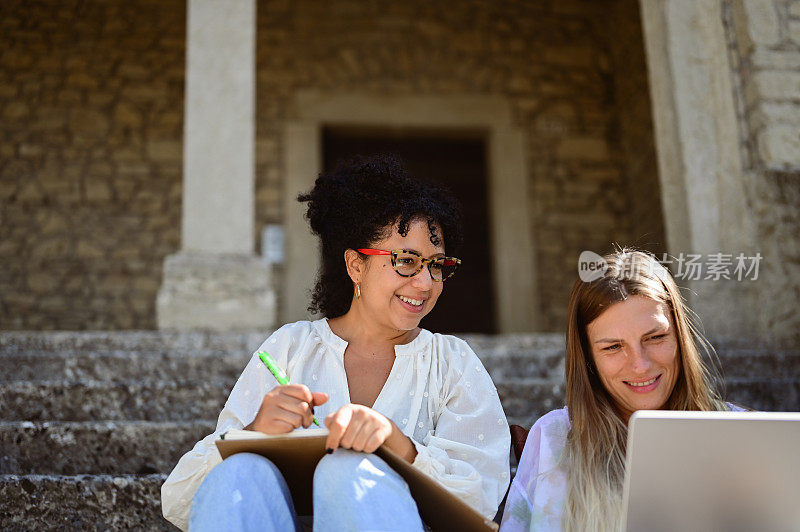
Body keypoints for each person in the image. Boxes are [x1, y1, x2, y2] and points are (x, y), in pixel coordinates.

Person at [161, 155, 511, 531]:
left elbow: (483, 498)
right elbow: (182, 495)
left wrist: (398, 445)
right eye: (406, 261)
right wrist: (254, 432)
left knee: (347, 468)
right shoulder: (291, 349)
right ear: (355, 265)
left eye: (437, 265)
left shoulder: (451, 363)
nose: (425, 283)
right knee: (238, 472)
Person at [500, 249, 741, 532]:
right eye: (613, 347)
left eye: (655, 337)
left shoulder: (742, 433)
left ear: (680, 336)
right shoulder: (553, 439)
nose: (640, 365)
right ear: (588, 357)